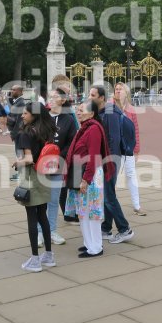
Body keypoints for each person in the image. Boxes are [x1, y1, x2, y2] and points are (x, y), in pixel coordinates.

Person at [64, 99, 113, 257]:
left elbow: (93, 157)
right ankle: (88, 243)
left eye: (81, 109)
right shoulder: (84, 128)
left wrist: (86, 179)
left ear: (92, 113)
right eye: (77, 109)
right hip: (82, 172)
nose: (78, 112)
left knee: (91, 212)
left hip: (89, 175)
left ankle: (96, 247)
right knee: (83, 211)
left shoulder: (93, 129)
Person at [13, 101, 57, 272]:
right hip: (45, 175)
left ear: (34, 115)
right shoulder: (46, 131)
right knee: (42, 216)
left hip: (31, 176)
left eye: (25, 113)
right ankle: (49, 255)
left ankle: (35, 259)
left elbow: (29, 159)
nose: (22, 116)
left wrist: (17, 162)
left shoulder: (26, 133)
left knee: (31, 218)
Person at [89, 85, 134, 244]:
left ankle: (124, 229)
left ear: (101, 97)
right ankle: (106, 228)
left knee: (109, 196)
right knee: (107, 194)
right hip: (106, 158)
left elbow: (113, 139)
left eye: (93, 95)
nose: (90, 98)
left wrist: (106, 162)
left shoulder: (110, 112)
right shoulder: (102, 112)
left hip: (111, 159)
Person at [47, 86, 78, 243]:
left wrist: (59, 156)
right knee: (40, 201)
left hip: (58, 165)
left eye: (54, 97)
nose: (50, 100)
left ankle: (51, 231)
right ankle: (40, 233)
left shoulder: (69, 119)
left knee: (53, 200)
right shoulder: (42, 117)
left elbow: (71, 142)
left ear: (63, 100)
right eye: (49, 97)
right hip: (40, 165)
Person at [114, 82, 145, 216]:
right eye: (116, 89)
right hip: (113, 149)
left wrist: (136, 149)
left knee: (131, 175)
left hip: (127, 149)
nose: (118, 91)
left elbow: (135, 130)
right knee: (111, 178)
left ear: (126, 92)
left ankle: (137, 205)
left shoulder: (131, 109)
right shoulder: (110, 106)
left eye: (120, 89)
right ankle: (109, 204)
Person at [8, 85, 26, 181]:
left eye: (14, 90)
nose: (12, 91)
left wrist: (13, 133)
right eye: (12, 89)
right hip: (17, 132)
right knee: (19, 153)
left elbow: (19, 121)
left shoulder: (21, 103)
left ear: (20, 91)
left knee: (20, 153)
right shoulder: (18, 102)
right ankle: (20, 173)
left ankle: (21, 174)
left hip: (19, 133)